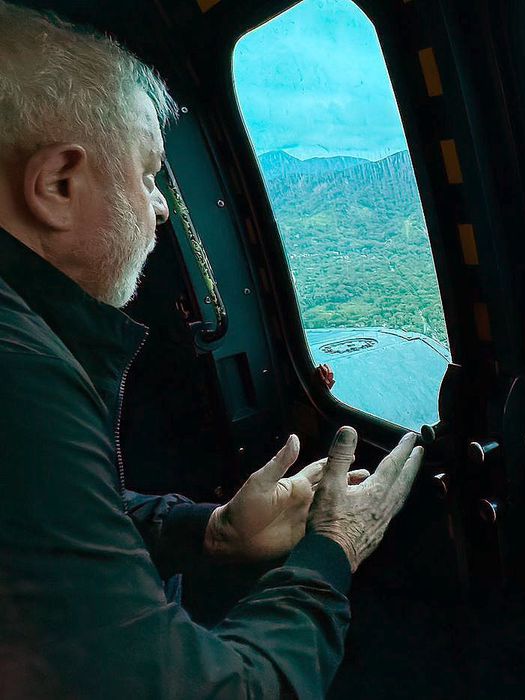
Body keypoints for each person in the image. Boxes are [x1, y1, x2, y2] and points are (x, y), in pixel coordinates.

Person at [0, 3, 423, 697]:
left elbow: (51, 532)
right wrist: (332, 551)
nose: (162, 207)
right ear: (57, 186)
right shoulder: (19, 378)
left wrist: (213, 530)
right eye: (146, 173)